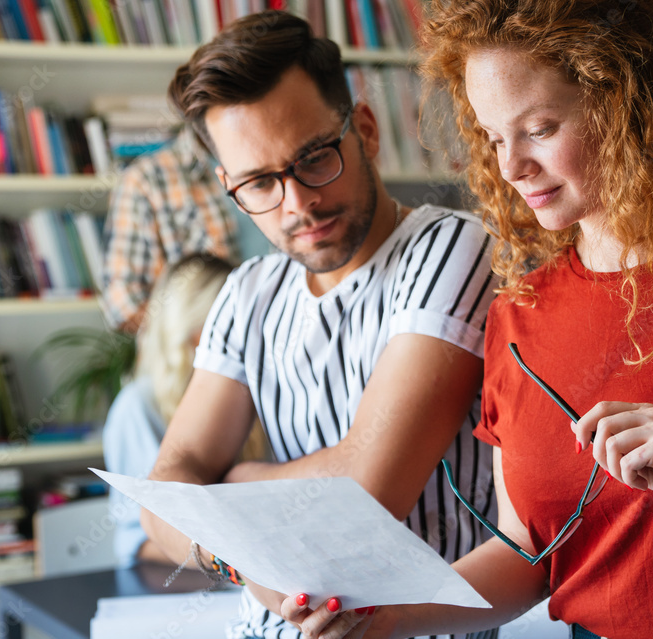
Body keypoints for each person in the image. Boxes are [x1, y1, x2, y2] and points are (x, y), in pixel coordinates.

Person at [281, 1, 653, 638]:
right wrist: (380, 618)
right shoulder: (518, 311)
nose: (509, 166)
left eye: (539, 128)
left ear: (633, 106)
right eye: (492, 137)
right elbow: (526, 554)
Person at [140, 10, 500, 639]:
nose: (297, 202)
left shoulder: (455, 249)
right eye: (258, 182)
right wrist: (238, 555)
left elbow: (366, 492)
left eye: (313, 158)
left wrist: (229, 487)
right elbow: (165, 492)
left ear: (364, 129)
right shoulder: (246, 292)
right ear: (230, 185)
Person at [103, 252, 249, 566]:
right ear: (196, 332)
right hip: (186, 584)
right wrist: (235, 564)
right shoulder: (139, 406)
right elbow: (137, 540)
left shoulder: (252, 392)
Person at [100, 122, 244, 334]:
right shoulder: (146, 180)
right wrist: (203, 339)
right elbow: (124, 306)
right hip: (198, 357)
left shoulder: (279, 159)